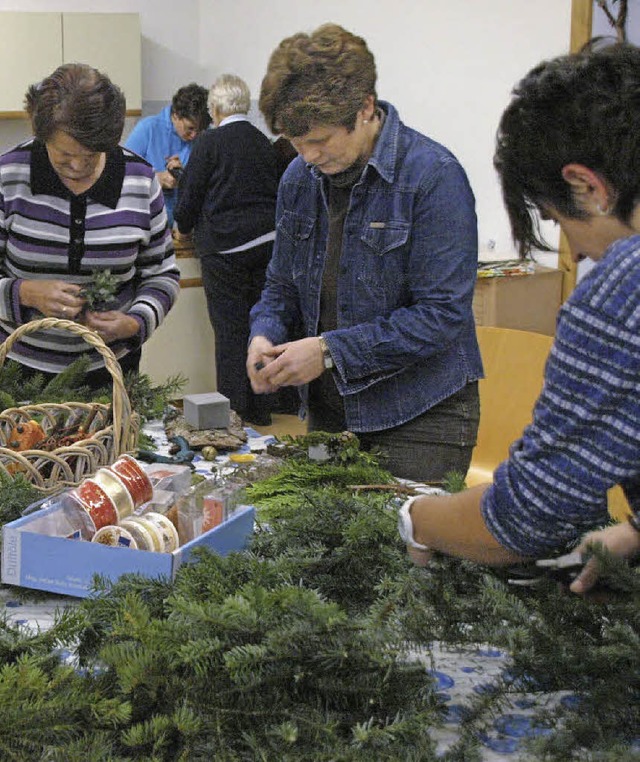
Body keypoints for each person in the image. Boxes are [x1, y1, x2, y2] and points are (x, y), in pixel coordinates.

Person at [399, 42, 640, 594]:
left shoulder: (622, 289)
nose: (575, 253)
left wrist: (416, 516)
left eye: (558, 220)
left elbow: (525, 518)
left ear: (588, 186)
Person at [247, 23, 482, 481]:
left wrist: (330, 351)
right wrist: (264, 333)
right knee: (329, 547)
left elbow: (441, 315)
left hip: (421, 416)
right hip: (333, 411)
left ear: (365, 109)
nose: (309, 156)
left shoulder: (433, 177)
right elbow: (281, 284)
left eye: (320, 141)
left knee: (403, 551)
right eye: (296, 144)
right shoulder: (298, 179)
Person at [0, 63, 180, 389]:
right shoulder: (9, 175)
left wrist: (134, 321)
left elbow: (162, 275)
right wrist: (24, 292)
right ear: (42, 136)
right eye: (65, 155)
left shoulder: (139, 179)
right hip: (18, 372)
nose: (78, 166)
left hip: (109, 372)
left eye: (93, 155)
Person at [174, 74, 280, 426]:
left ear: (215, 109)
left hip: (225, 250)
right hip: (268, 246)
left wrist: (184, 227)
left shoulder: (210, 143)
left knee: (230, 332)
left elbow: (188, 200)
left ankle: (234, 414)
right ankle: (263, 411)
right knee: (261, 330)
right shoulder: (265, 143)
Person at [125, 83, 210, 225]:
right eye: (190, 128)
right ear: (176, 115)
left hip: (186, 228)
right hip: (149, 225)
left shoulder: (205, 136)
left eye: (199, 130)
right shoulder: (148, 129)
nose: (194, 135)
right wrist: (156, 179)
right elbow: (121, 175)